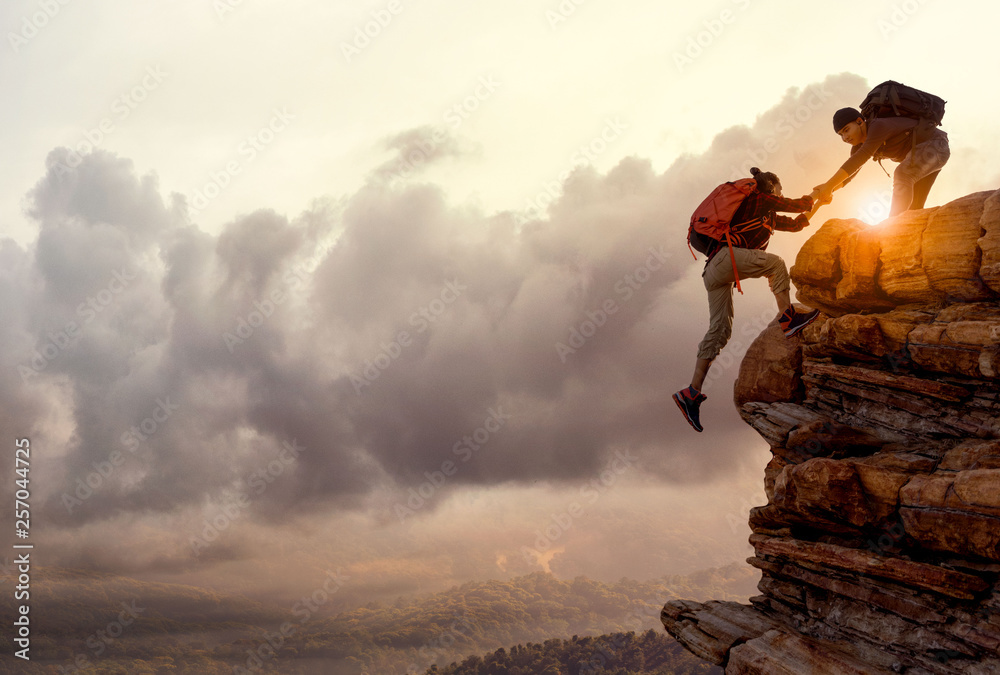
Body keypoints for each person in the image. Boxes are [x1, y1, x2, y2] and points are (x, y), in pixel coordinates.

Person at [673, 168, 821, 433]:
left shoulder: (765, 216)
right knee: (776, 264)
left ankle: (691, 393)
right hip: (726, 260)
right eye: (779, 189)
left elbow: (798, 222)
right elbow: (798, 204)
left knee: (719, 331)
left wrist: (817, 204)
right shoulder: (759, 199)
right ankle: (788, 320)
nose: (780, 194)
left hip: (714, 272)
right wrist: (818, 194)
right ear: (771, 187)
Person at [811, 107, 950, 217]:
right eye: (841, 134)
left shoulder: (878, 126)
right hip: (920, 157)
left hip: (936, 146)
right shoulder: (858, 146)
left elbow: (861, 157)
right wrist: (827, 189)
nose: (845, 137)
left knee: (903, 174)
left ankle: (891, 227)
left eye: (846, 130)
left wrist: (829, 186)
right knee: (914, 211)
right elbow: (849, 176)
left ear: (860, 121)